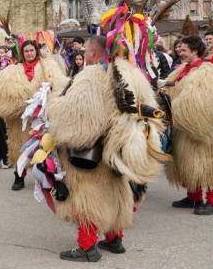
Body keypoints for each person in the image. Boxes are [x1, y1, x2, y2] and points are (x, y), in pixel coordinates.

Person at [47, 34, 164, 262]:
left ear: (93, 53)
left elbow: (76, 118)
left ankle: (87, 247)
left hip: (93, 152)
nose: (84, 55)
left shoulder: (91, 77)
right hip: (120, 152)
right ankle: (114, 239)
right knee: (116, 193)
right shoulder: (131, 74)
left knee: (88, 195)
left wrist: (53, 102)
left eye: (86, 51)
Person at [164, 36, 213, 215]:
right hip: (186, 128)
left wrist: (177, 108)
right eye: (179, 50)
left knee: (210, 165)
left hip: (207, 130)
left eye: (183, 50)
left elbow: (203, 100)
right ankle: (194, 197)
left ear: (195, 50)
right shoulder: (184, 69)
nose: (180, 53)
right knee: (191, 163)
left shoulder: (206, 71)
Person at [0, 39, 67, 191]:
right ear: (22, 53)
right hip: (20, 121)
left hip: (42, 118)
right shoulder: (13, 71)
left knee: (45, 146)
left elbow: (60, 85)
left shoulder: (48, 67)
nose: (29, 53)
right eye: (26, 51)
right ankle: (19, 176)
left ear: (36, 51)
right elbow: (3, 93)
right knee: (19, 147)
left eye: (32, 50)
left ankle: (46, 176)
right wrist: (19, 102)